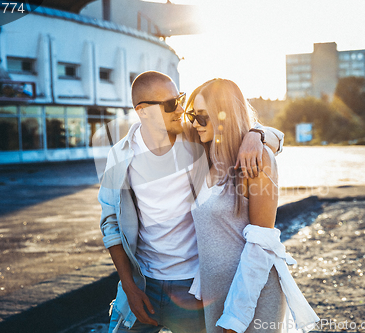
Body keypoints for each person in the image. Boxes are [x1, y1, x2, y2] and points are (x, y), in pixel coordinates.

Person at [97, 71, 284, 333]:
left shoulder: (196, 139)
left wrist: (256, 134)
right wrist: (128, 287)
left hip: (194, 288)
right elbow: (111, 224)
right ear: (143, 111)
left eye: (180, 99)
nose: (182, 110)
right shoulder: (119, 154)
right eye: (171, 104)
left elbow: (240, 127)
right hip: (143, 283)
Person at [184, 79, 320, 333]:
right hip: (214, 294)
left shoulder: (257, 159)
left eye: (202, 117)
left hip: (252, 297)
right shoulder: (203, 160)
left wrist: (235, 318)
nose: (194, 123)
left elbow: (261, 245)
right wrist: (259, 133)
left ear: (223, 115)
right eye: (192, 115)